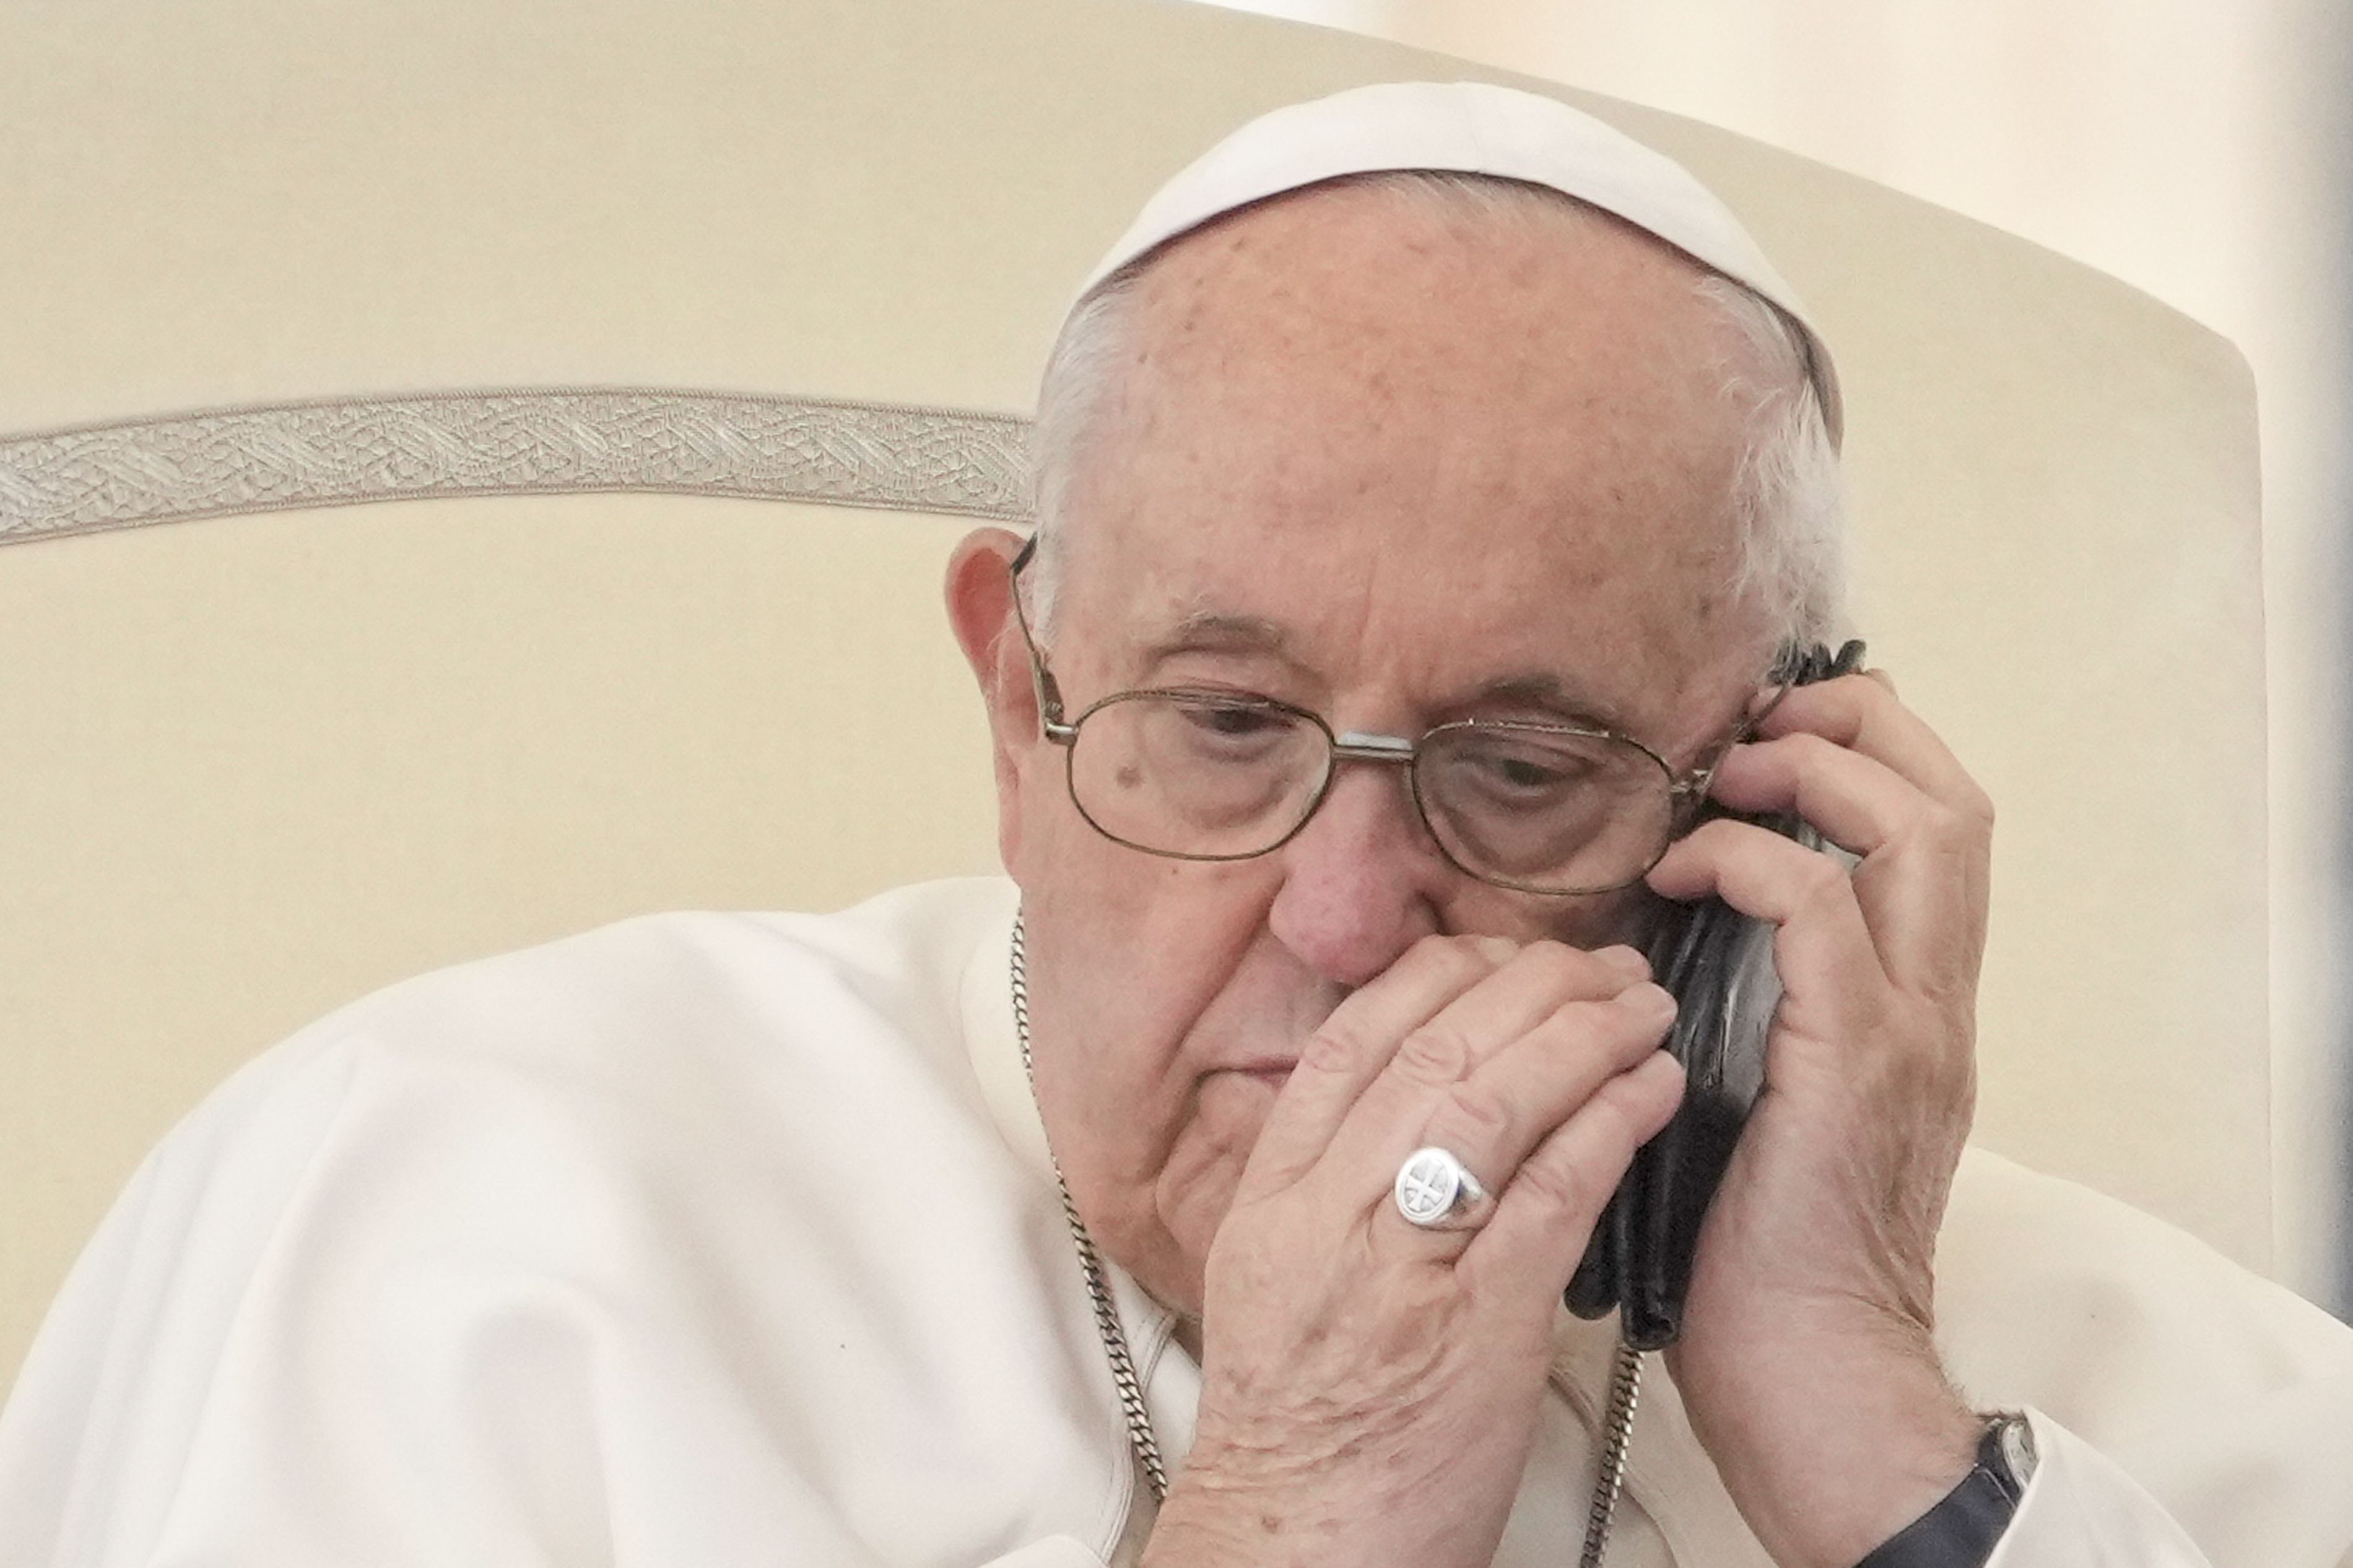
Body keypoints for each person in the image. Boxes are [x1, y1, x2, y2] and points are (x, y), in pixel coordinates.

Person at [2, 80, 2349, 1568]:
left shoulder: (2173, 1395)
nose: (1339, 910)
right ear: (1017, 716)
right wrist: (1300, 1512)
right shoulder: (465, 1219)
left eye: (1520, 771)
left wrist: (1877, 1443)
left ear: (1772, 824)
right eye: (1224, 724)